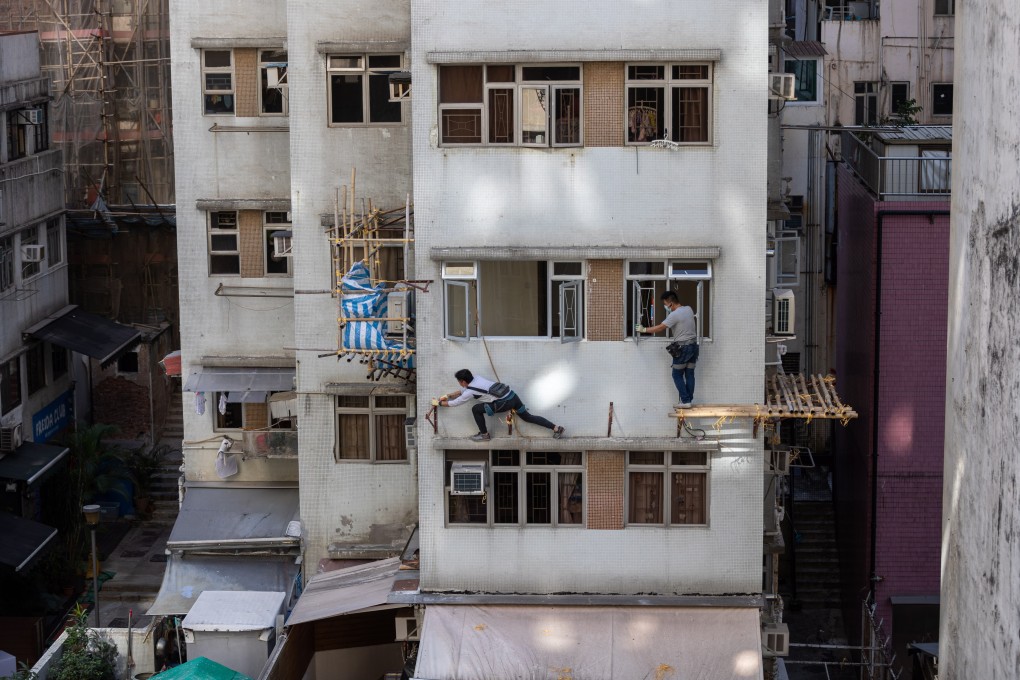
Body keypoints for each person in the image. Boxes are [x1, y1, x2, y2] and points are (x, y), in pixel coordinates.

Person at [437, 369, 565, 441]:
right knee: (527, 417)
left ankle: (484, 435)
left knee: (476, 409)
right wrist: (448, 395)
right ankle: (556, 428)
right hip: (513, 396)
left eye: (459, 381)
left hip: (504, 403)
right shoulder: (476, 378)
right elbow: (463, 391)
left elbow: (456, 402)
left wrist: (440, 403)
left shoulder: (470, 390)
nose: (459, 383)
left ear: (463, 381)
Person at [635, 290, 699, 408]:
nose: (665, 307)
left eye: (665, 304)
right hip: (694, 347)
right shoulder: (689, 309)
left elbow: (660, 328)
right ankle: (688, 400)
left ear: (671, 303)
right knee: (690, 374)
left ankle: (685, 401)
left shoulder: (674, 315)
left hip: (683, 348)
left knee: (676, 375)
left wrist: (643, 330)